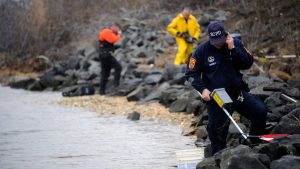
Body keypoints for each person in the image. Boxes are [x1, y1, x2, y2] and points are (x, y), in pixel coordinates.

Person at [185, 21, 267, 155]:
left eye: (221, 40)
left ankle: (253, 145)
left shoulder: (235, 44)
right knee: (217, 131)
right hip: (216, 97)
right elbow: (190, 75)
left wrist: (233, 48)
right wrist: (202, 89)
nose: (218, 43)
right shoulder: (201, 51)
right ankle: (218, 157)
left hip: (237, 92)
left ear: (226, 35)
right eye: (215, 40)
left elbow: (247, 63)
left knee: (260, 111)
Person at [98, 23, 122, 95]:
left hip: (104, 55)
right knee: (118, 67)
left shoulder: (109, 32)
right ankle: (116, 85)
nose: (118, 30)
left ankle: (102, 91)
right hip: (106, 55)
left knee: (105, 73)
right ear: (113, 27)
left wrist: (117, 35)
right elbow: (112, 40)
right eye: (118, 29)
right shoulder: (107, 31)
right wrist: (119, 35)